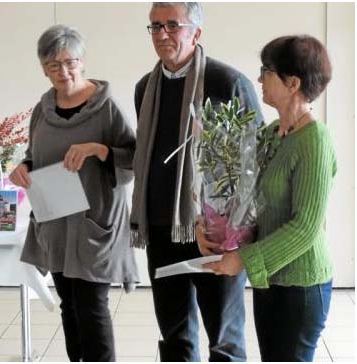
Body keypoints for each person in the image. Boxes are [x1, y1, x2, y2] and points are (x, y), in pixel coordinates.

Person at [130, 2, 264, 361]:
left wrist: (238, 235)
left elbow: (256, 161)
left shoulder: (227, 82)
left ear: (196, 32)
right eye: (155, 26)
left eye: (172, 25)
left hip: (215, 233)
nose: (162, 34)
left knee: (223, 337)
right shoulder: (145, 87)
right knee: (173, 335)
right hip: (162, 228)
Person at [198, 34, 335, 362]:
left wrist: (243, 259)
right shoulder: (272, 134)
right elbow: (244, 195)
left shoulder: (314, 141)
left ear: (292, 82)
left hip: (301, 285)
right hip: (271, 279)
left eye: (266, 71)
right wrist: (209, 226)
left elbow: (305, 227)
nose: (258, 78)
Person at [9, 24, 139, 362]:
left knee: (91, 304)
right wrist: (23, 167)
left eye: (70, 62)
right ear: (43, 69)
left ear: (82, 62)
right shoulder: (43, 109)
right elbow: (34, 155)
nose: (63, 72)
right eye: (54, 65)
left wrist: (99, 149)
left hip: (94, 223)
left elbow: (133, 158)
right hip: (54, 221)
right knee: (69, 304)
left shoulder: (107, 107)